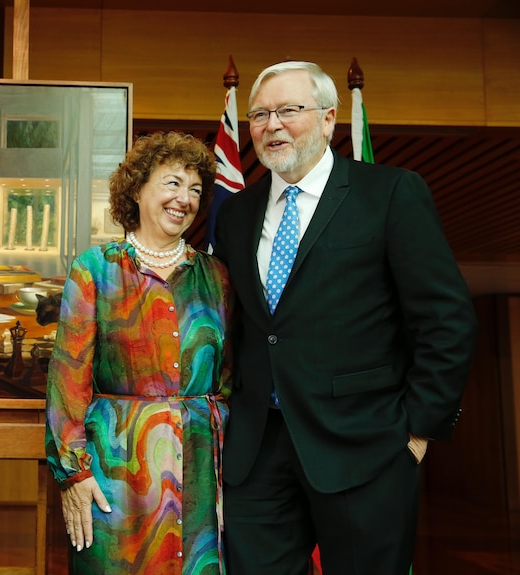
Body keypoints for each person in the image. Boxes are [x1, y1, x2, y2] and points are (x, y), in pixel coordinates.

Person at [212, 61, 478, 575]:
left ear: (330, 118)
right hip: (257, 455)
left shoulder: (391, 193)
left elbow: (447, 319)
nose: (272, 124)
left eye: (289, 109)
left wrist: (419, 430)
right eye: (260, 114)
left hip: (366, 449)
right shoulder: (237, 215)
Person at [45, 131, 232, 574]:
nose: (184, 199)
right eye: (172, 183)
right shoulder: (95, 268)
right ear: (137, 188)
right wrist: (74, 473)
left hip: (202, 468)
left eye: (195, 190)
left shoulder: (218, 276)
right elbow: (69, 378)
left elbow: (228, 378)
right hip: (116, 471)